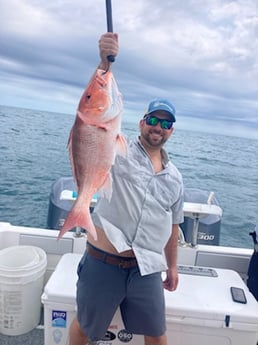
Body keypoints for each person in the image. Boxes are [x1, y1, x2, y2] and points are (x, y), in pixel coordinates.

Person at [69, 32, 184, 345]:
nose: (158, 127)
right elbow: (89, 120)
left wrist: (172, 267)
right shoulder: (119, 150)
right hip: (103, 262)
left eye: (165, 123)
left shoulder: (175, 178)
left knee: (157, 335)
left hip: (146, 269)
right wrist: (104, 62)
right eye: (153, 120)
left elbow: (173, 225)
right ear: (141, 122)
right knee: (85, 328)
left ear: (171, 130)